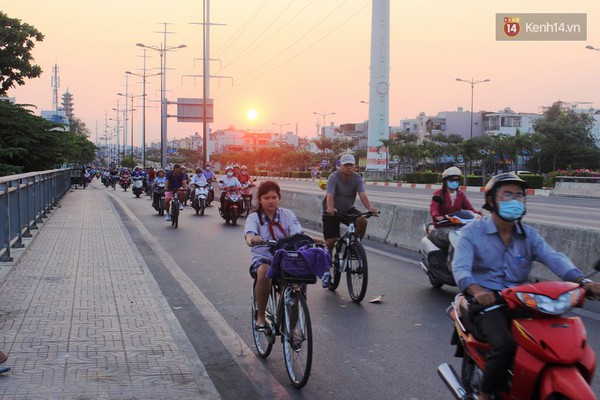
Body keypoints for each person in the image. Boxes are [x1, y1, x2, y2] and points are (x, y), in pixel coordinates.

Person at [452, 173, 600, 400]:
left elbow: (554, 258)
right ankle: (484, 394)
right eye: (507, 195)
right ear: (491, 200)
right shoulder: (473, 233)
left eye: (519, 196)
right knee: (505, 344)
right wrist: (477, 291)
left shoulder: (529, 235)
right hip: (487, 304)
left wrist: (583, 282)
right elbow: (461, 268)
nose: (515, 200)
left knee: (554, 342)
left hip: (521, 300)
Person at [244, 181, 307, 330]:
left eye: (274, 197)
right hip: (263, 257)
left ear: (279, 198)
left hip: (287, 258)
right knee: (265, 272)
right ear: (260, 199)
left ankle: (291, 330)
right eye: (266, 198)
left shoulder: (287, 215)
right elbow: (248, 235)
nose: (271, 201)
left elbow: (297, 234)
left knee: (297, 283)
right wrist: (253, 239)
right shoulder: (254, 217)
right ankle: (260, 317)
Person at [321, 154, 379, 286]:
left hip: (348, 209)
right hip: (332, 211)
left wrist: (370, 208)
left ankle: (354, 245)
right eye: (345, 165)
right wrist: (330, 208)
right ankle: (326, 271)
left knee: (362, 221)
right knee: (330, 242)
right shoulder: (333, 177)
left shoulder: (357, 178)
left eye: (350, 165)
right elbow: (330, 195)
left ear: (354, 167)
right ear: (340, 166)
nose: (348, 168)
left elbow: (362, 194)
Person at [429, 166, 481, 249]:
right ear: (445, 181)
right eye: (451, 180)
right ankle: (451, 261)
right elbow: (433, 208)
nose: (454, 182)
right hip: (442, 227)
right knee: (455, 238)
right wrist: (437, 216)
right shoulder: (438, 194)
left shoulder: (461, 195)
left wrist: (478, 215)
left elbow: (469, 208)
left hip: (458, 226)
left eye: (456, 180)